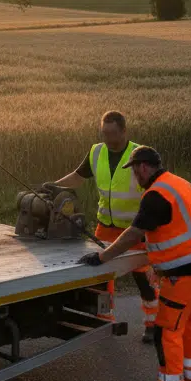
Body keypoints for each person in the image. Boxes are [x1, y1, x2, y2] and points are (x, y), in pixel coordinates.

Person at [81, 146, 191, 381]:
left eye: (134, 171)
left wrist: (104, 256)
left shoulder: (155, 196)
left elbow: (134, 234)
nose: (134, 178)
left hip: (182, 273)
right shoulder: (179, 183)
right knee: (188, 324)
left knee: (166, 332)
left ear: (143, 167)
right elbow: (169, 226)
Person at [49, 111, 158, 342]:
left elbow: (155, 191)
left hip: (134, 229)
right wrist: (55, 187)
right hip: (105, 227)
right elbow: (78, 177)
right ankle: (104, 321)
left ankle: (152, 323)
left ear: (124, 131)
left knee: (142, 278)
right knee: (101, 278)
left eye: (113, 134)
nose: (108, 138)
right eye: (105, 133)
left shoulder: (139, 155)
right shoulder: (97, 151)